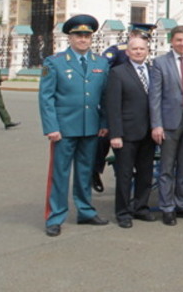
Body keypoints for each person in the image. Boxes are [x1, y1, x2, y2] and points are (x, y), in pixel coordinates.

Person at [39, 15, 110, 237]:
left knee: (85, 172)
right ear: (69, 37)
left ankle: (85, 211)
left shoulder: (101, 63)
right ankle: (55, 216)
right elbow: (46, 97)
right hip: (63, 129)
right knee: (59, 174)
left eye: (87, 35)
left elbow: (105, 97)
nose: (83, 39)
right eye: (78, 35)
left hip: (91, 128)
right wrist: (51, 127)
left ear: (91, 38)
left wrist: (104, 122)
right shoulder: (55, 62)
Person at [148, 25, 183, 225]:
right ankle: (167, 207)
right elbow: (154, 97)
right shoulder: (160, 63)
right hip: (169, 122)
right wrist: (156, 125)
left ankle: (182, 204)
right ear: (172, 41)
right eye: (178, 40)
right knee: (167, 167)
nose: (182, 43)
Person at [105, 36, 157, 228]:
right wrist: (115, 134)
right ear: (127, 52)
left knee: (146, 173)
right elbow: (113, 106)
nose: (138, 52)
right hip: (126, 134)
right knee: (125, 175)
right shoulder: (118, 73)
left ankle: (141, 207)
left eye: (142, 49)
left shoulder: (152, 71)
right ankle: (123, 212)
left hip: (148, 133)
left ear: (147, 51)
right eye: (134, 49)